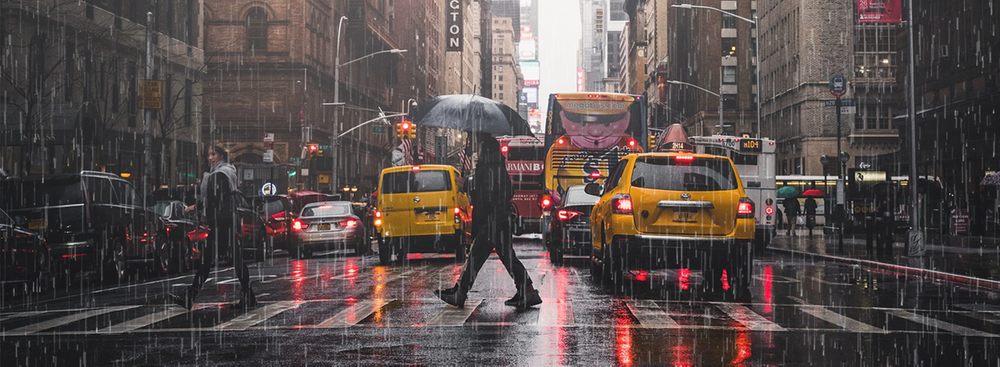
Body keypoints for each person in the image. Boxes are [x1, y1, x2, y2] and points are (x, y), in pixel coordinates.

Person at [435, 135, 542, 309]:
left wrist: (467, 185)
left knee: (475, 258)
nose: (477, 151)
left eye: (479, 148)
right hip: (499, 221)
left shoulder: (490, 168)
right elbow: (505, 191)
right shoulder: (496, 167)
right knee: (507, 258)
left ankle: (460, 293)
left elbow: (487, 196)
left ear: (485, 150)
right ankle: (527, 291)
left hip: (492, 222)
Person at [170, 145, 256, 310]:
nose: (210, 158)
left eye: (213, 154)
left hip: (222, 223)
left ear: (221, 155)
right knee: (234, 261)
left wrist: (198, 207)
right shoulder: (225, 172)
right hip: (226, 222)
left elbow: (215, 198)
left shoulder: (220, 174)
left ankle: (190, 296)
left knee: (208, 261)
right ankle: (247, 295)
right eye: (208, 155)